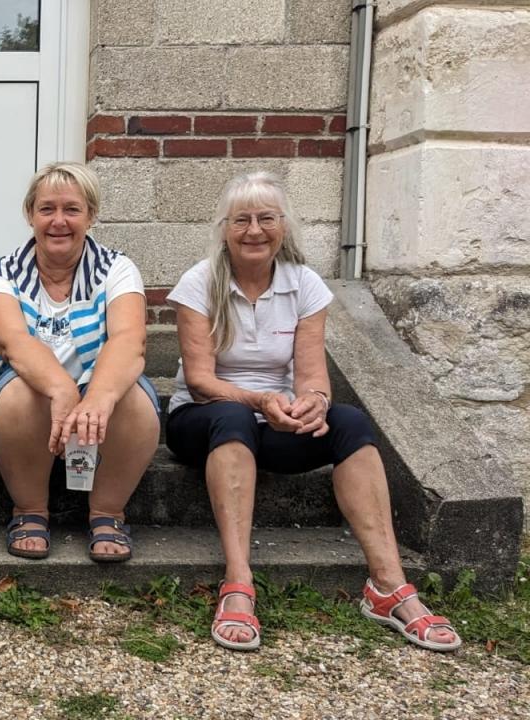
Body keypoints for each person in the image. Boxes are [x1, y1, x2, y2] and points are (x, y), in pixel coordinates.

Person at [164, 171, 461, 652]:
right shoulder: (199, 281)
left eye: (266, 218)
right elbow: (200, 380)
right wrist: (260, 401)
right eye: (242, 220)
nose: (254, 230)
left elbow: (312, 375)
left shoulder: (305, 284)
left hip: (275, 421)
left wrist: (314, 404)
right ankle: (238, 582)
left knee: (351, 422)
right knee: (232, 417)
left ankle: (388, 586)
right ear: (224, 229)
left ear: (284, 226)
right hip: (204, 419)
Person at [0, 162, 160, 563]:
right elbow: (13, 342)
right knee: (21, 392)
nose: (58, 221)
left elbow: (130, 340)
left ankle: (108, 512)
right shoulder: (2, 273)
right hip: (26, 416)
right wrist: (62, 390)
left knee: (132, 397)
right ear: (30, 215)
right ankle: (29, 509)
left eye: (72, 209)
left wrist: (97, 398)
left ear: (91, 215)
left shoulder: (117, 269)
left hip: (102, 410)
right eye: (47, 209)